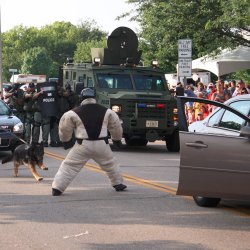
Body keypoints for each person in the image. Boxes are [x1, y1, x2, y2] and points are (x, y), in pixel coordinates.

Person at [52, 88, 127, 196]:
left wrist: (65, 141)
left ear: (81, 98)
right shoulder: (108, 111)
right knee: (110, 164)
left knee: (69, 166)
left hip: (82, 144)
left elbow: (64, 128)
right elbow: (116, 127)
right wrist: (117, 139)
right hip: (102, 144)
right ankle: (118, 183)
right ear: (94, 97)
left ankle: (57, 188)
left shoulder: (72, 113)